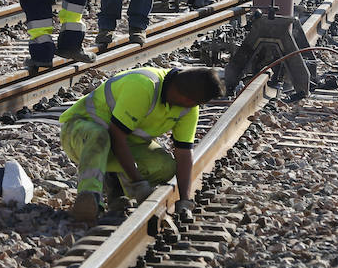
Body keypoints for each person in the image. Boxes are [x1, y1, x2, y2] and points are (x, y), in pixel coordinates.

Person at [59, 65, 225, 222]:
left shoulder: (188, 109)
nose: (197, 107)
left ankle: (116, 187)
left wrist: (184, 200)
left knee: (165, 167)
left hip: (120, 144)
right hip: (80, 134)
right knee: (100, 136)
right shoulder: (143, 86)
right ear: (187, 98)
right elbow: (116, 136)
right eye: (198, 103)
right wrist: (139, 183)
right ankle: (89, 198)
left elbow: (183, 153)